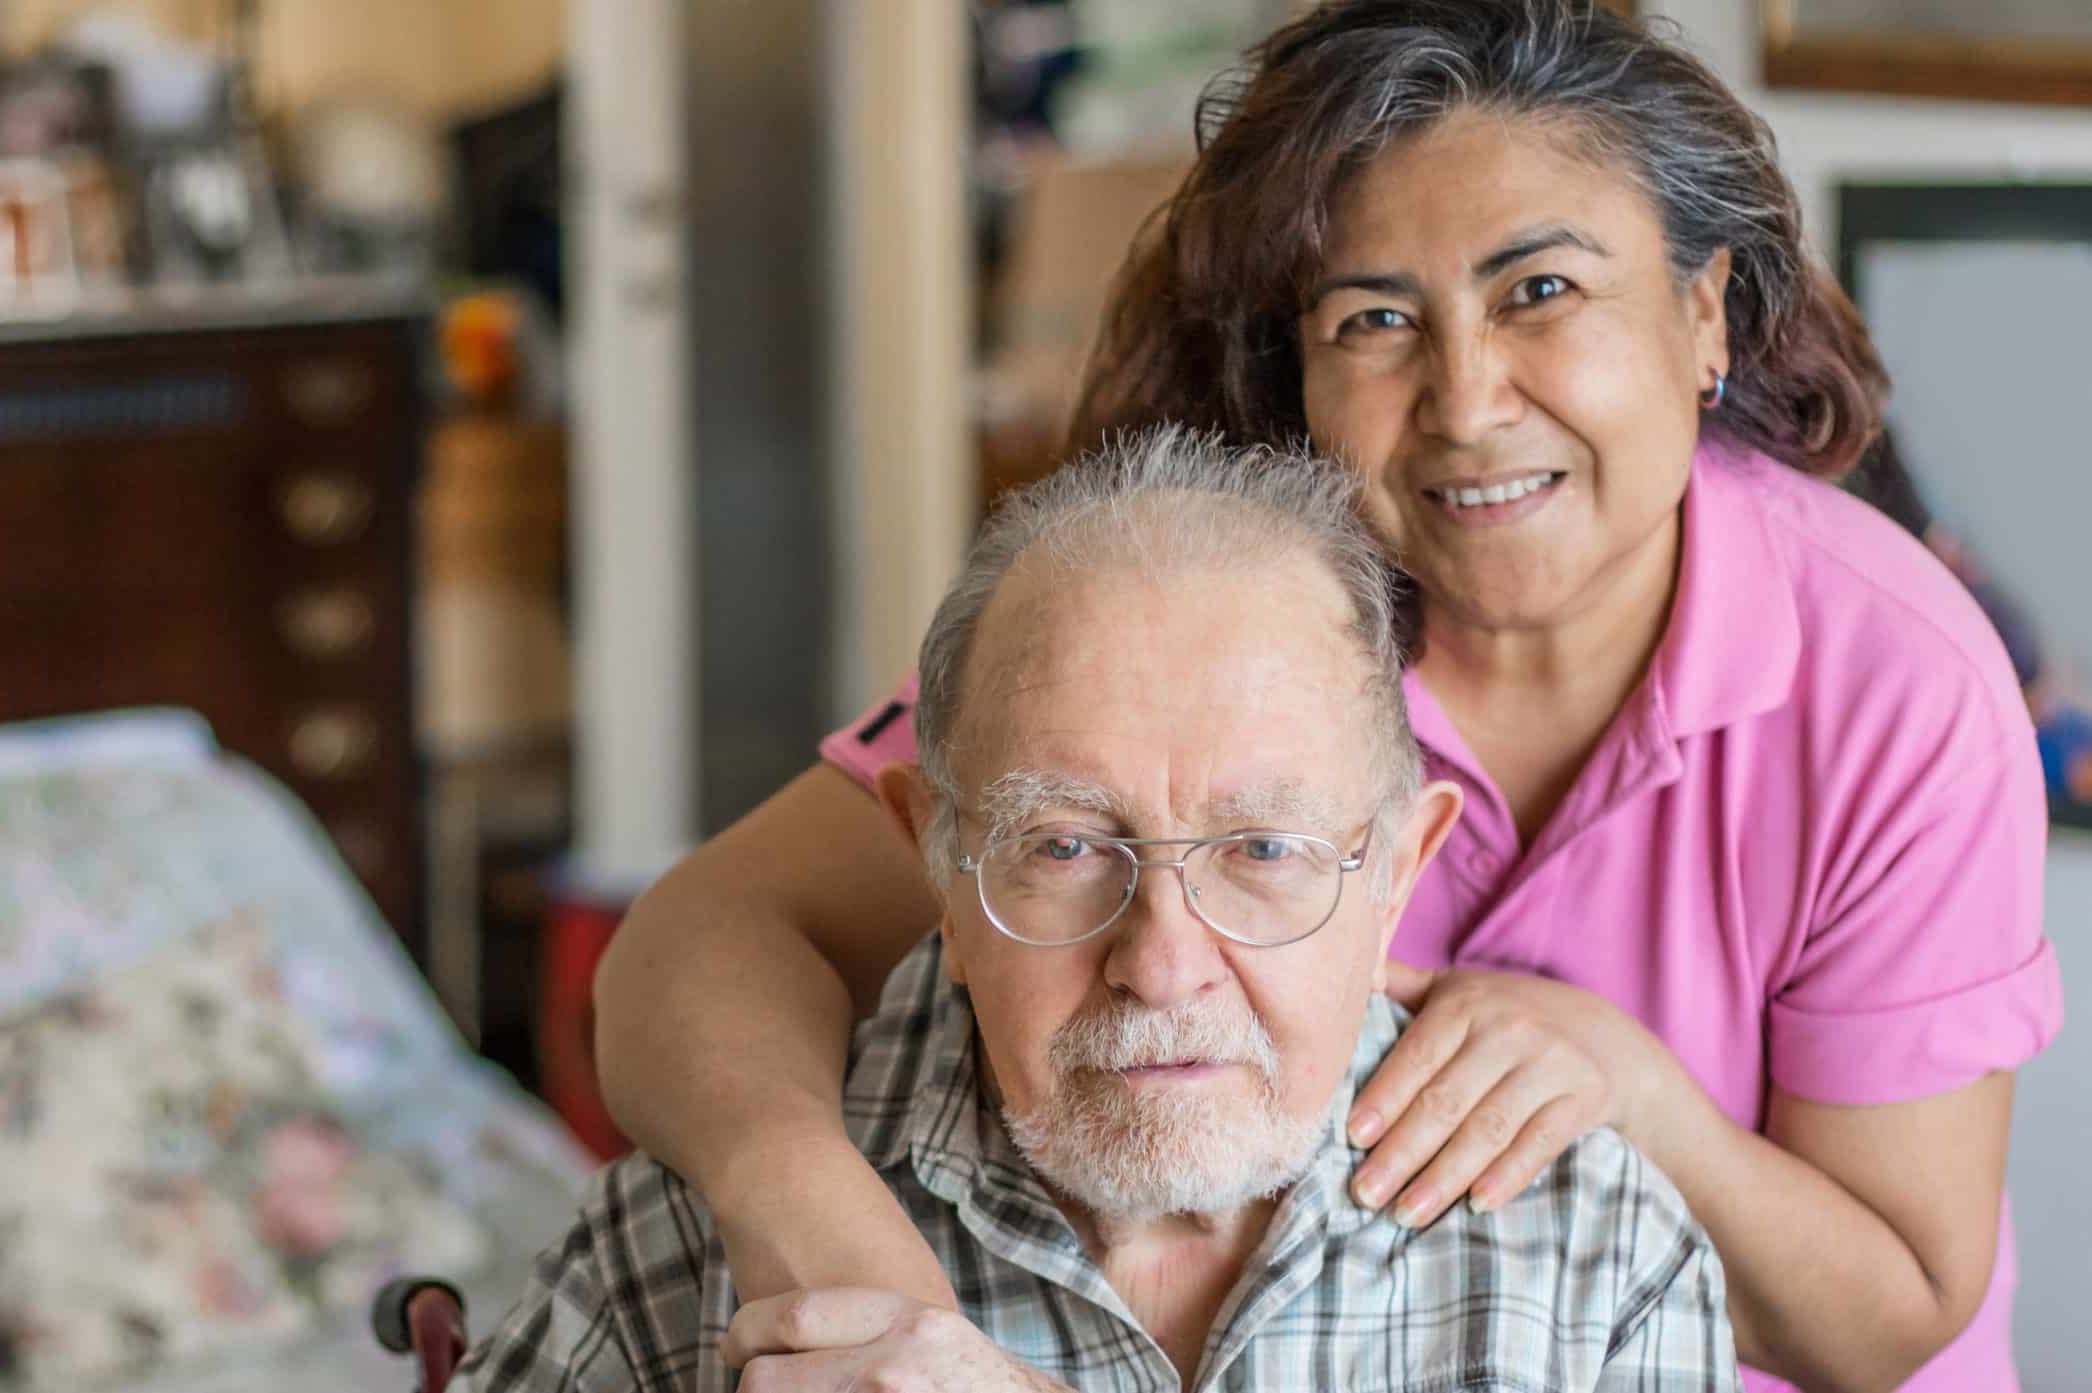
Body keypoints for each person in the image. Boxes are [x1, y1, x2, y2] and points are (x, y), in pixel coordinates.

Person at [590, 3, 2063, 1391]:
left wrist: (1627, 1090)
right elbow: (696, 943)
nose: (1468, 401)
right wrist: (838, 1242)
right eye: (1373, 320)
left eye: (1540, 290)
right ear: (1291, 370)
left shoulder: (1894, 680)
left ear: (1704, 315)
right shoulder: (1207, 622)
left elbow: (1893, 1317)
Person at [470, 436, 1737, 1393]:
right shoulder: (699, 1237)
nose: (1164, 964)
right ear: (938, 861)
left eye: (1261, 849)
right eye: (1066, 845)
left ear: (1397, 873)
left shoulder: (1590, 1253)